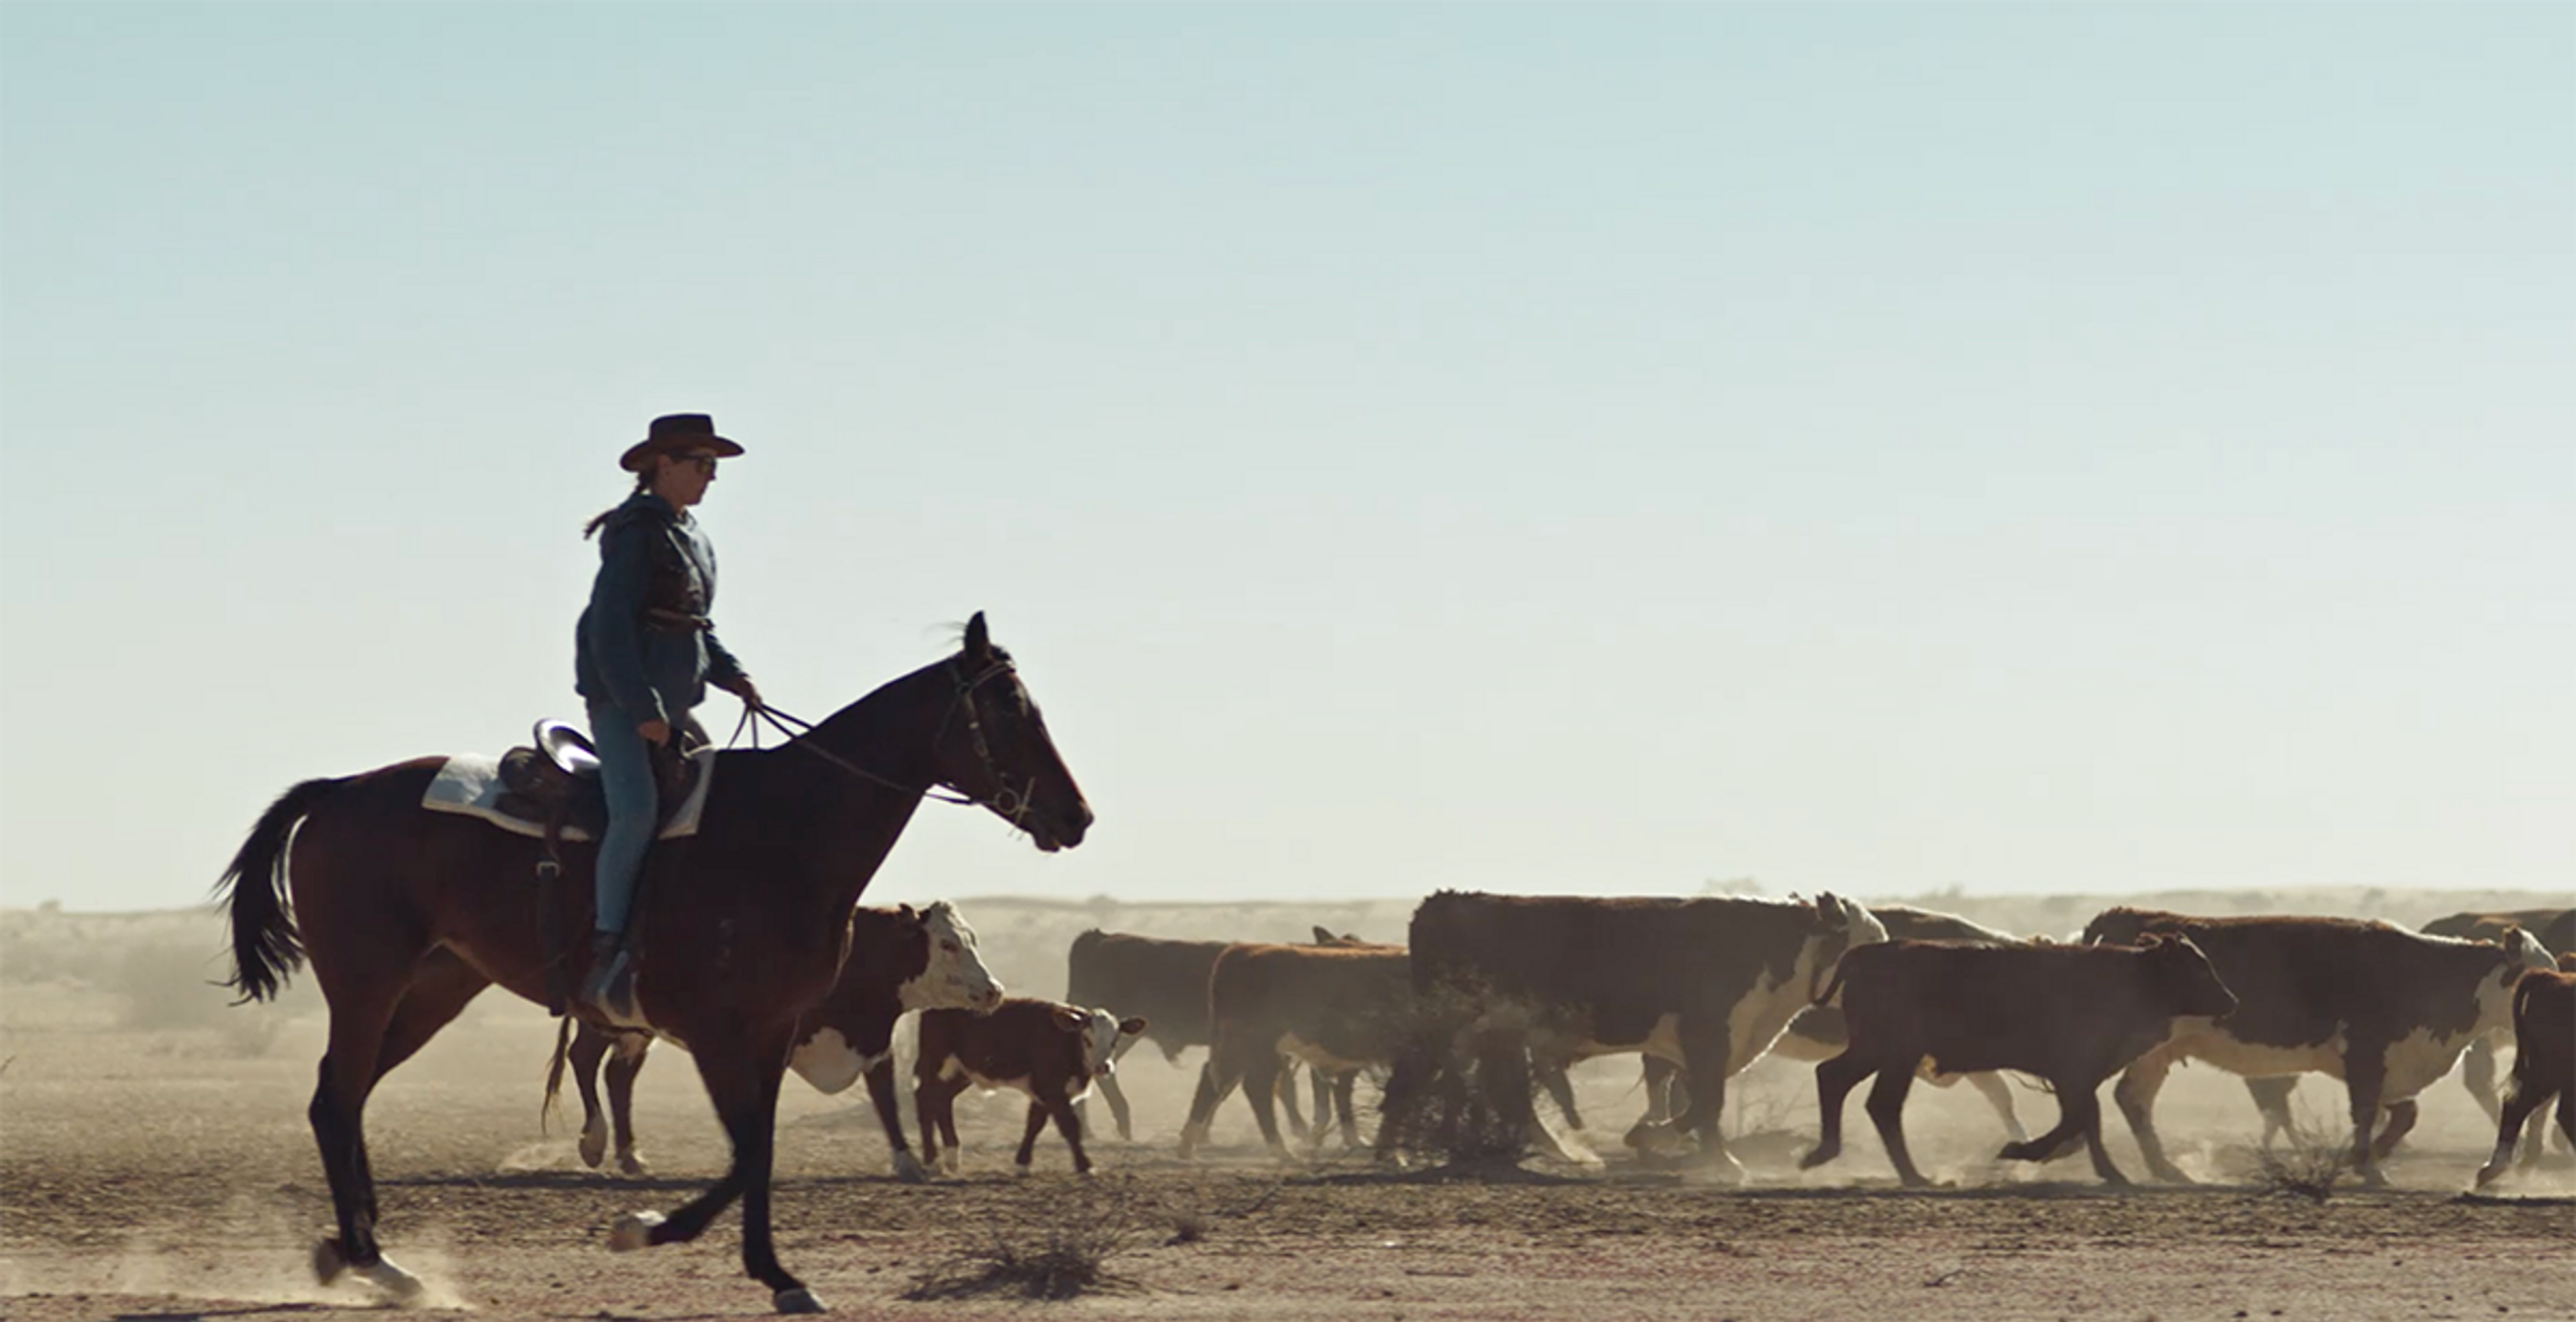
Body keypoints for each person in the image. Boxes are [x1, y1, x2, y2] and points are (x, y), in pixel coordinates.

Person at [573, 412, 763, 1019]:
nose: (711, 476)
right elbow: (610, 627)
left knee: (716, 801)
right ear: (665, 465)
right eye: (702, 464)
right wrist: (642, 709)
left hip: (677, 699)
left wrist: (731, 672)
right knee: (636, 811)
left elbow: (692, 622)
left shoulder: (693, 533)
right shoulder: (637, 532)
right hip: (625, 701)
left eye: (715, 466)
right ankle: (606, 947)